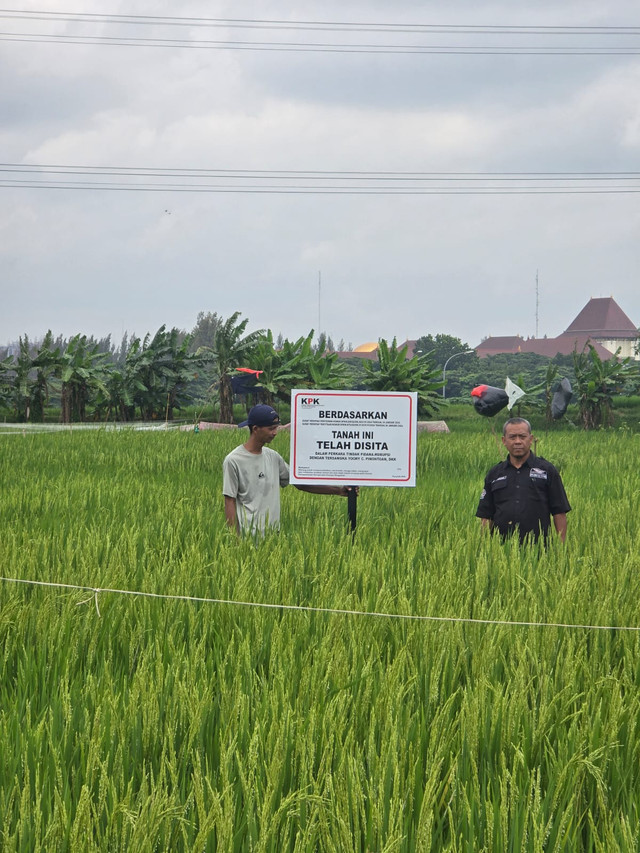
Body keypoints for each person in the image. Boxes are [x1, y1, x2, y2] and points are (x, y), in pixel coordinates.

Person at [223, 404, 355, 536]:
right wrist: (235, 541)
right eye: (271, 429)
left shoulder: (273, 457)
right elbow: (229, 500)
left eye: (276, 428)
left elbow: (300, 483)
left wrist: (338, 490)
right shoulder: (234, 460)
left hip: (273, 538)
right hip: (248, 538)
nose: (275, 433)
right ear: (256, 429)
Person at [476, 417, 570, 543]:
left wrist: (560, 548)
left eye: (522, 436)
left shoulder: (547, 470)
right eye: (512, 437)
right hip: (501, 550)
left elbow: (559, 512)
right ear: (504, 440)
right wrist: (484, 547)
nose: (518, 441)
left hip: (539, 549)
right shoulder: (495, 474)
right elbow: (486, 515)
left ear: (530, 439)